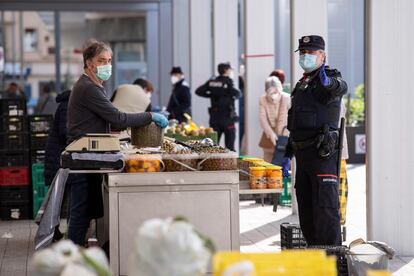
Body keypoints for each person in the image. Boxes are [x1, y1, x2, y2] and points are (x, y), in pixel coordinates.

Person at [67, 40, 168, 246]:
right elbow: (118, 118)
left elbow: (104, 120)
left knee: (85, 209)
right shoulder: (89, 88)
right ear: (89, 63)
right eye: (101, 60)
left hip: (89, 155)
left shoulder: (94, 86)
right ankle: (72, 256)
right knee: (81, 210)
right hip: (83, 155)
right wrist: (149, 116)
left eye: (109, 60)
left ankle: (78, 250)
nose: (106, 65)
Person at [283, 35, 347, 246]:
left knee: (325, 210)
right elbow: (297, 119)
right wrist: (288, 151)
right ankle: (315, 257)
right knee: (307, 209)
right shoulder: (303, 83)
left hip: (322, 155)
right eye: (303, 53)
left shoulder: (327, 78)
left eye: (311, 53)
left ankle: (333, 261)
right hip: (303, 156)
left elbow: (338, 87)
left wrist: (327, 80)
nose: (305, 56)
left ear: (322, 55)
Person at [43, 89, 71, 242]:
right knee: (58, 196)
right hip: (57, 157)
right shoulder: (67, 106)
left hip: (58, 156)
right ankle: (50, 230)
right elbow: (65, 131)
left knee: (59, 196)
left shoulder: (67, 104)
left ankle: (53, 230)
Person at [195, 62, 242, 151]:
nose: (231, 71)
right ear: (225, 70)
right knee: (230, 148)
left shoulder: (212, 82)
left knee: (213, 147)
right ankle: (229, 164)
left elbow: (198, 91)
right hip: (228, 118)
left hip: (215, 118)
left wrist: (211, 95)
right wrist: (228, 94)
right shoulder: (228, 82)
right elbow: (238, 94)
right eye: (230, 69)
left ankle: (212, 163)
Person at [258, 76, 290, 163]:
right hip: (269, 134)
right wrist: (271, 133)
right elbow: (262, 118)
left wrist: (288, 131)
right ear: (266, 91)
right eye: (271, 92)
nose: (274, 94)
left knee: (283, 163)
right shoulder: (263, 99)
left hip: (285, 135)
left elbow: (293, 116)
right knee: (268, 162)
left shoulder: (287, 98)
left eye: (276, 91)